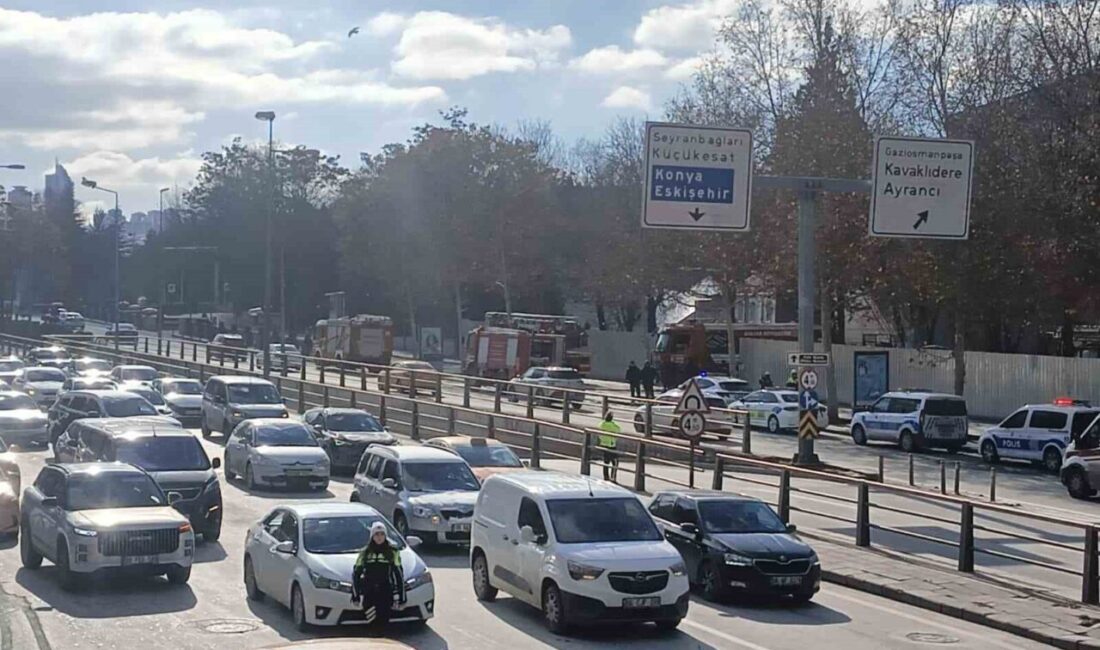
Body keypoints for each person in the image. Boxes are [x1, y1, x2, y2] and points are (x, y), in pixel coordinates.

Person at [351, 521, 406, 627]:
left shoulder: (393, 552)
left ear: (385, 536)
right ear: (372, 536)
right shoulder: (365, 552)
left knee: (383, 622)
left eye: (382, 534)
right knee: (371, 623)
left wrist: (402, 598)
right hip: (369, 592)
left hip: (385, 592)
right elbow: (356, 574)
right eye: (376, 534)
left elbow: (399, 575)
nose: (379, 537)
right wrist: (355, 596)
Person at [597, 411, 621, 482]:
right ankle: (613, 477)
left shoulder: (601, 424)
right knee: (615, 462)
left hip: (603, 444)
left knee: (606, 462)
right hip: (611, 445)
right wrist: (613, 422)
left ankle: (606, 477)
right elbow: (619, 429)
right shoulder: (613, 426)